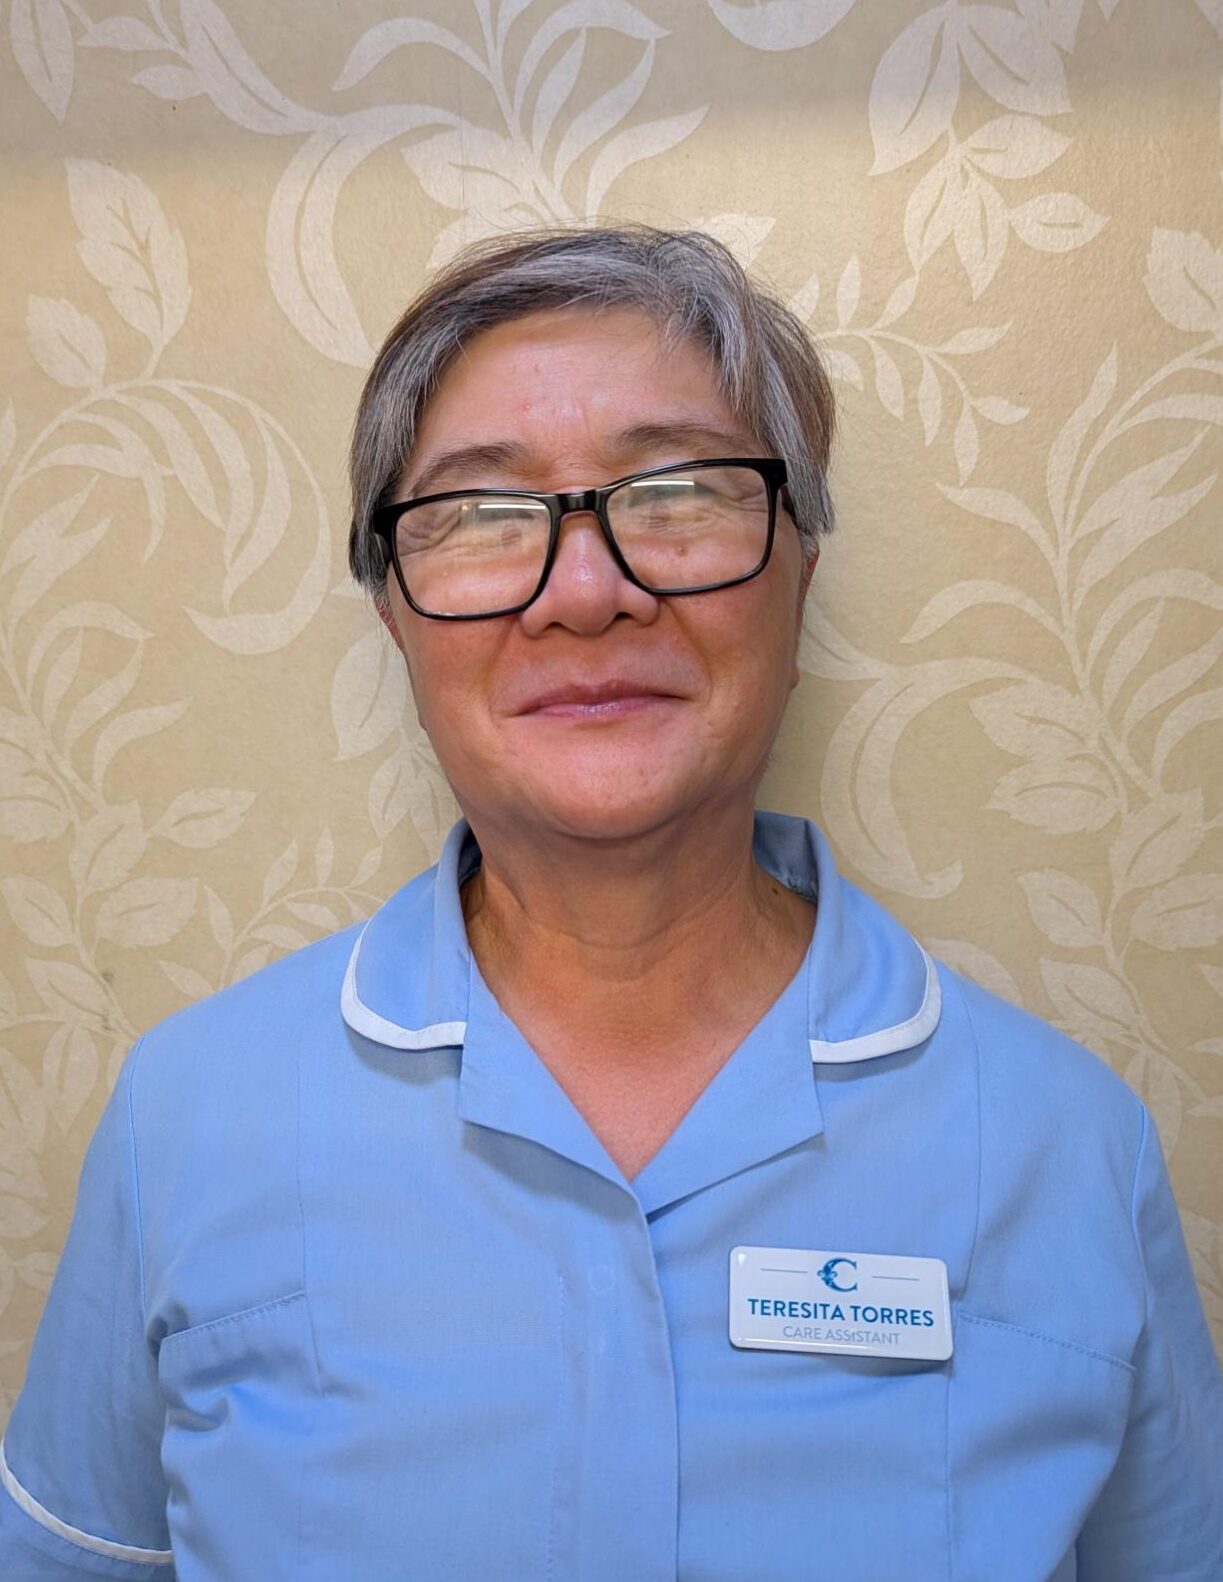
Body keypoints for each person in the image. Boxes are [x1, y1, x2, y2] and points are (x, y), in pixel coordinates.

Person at [1, 225, 1220, 1582]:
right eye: (479, 513)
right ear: (395, 610)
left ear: (800, 570)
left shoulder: (1065, 1144)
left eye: (678, 492)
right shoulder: (189, 1116)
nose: (587, 591)